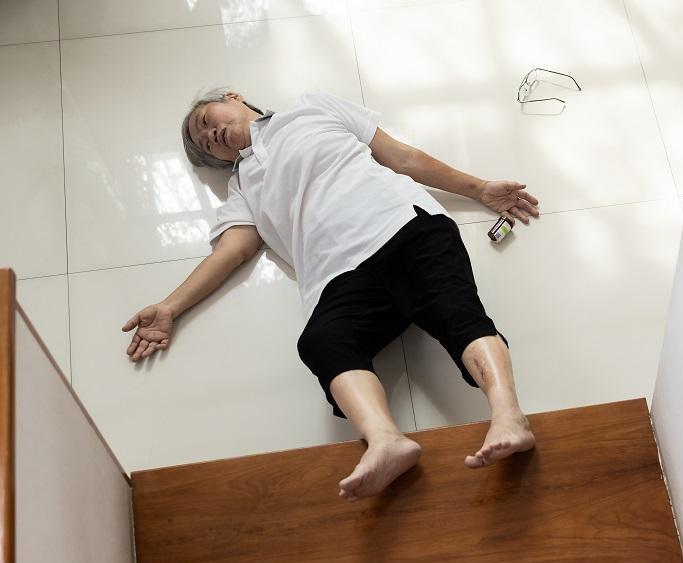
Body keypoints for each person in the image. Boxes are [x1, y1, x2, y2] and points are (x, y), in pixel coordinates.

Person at [122, 89, 538, 501]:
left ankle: (509, 416)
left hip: (402, 224)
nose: (210, 134)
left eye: (205, 121)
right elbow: (232, 250)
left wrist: (479, 188)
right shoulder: (242, 187)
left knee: (456, 312)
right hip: (338, 275)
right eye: (205, 143)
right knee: (321, 341)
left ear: (233, 97)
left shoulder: (311, 109)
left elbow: (401, 158)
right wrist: (170, 307)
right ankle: (385, 441)